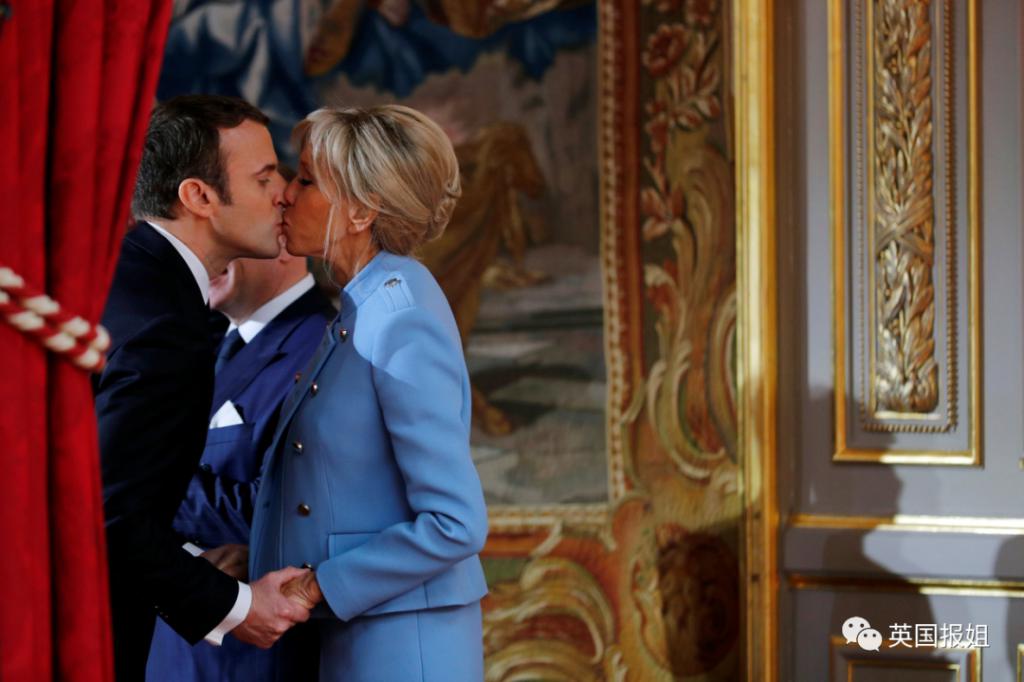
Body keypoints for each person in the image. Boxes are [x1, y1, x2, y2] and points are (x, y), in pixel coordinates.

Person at [248, 105, 490, 681]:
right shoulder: (366, 303)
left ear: (360, 210)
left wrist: (315, 585)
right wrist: (259, 557)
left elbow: (455, 522)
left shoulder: (400, 315)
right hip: (364, 637)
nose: (286, 195)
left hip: (403, 648)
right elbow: (346, 489)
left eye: (307, 180)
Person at [95, 95, 312, 680]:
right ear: (199, 197)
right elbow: (110, 516)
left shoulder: (121, 277)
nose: (283, 194)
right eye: (264, 178)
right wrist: (238, 607)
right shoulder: (167, 324)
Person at [146, 233, 335, 681]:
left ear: (284, 242)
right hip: (179, 647)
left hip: (253, 657)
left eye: (222, 235)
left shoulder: (323, 348)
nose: (201, 252)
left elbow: (285, 512)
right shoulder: (198, 341)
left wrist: (142, 478)